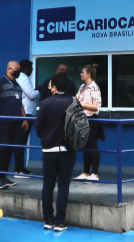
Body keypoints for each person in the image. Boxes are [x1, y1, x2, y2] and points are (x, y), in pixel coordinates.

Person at [35, 74, 76, 232]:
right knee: (64, 185)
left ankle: (48, 220)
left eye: (50, 85)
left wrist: (46, 137)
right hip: (67, 149)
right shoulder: (73, 102)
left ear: (54, 87)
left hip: (49, 149)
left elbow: (38, 126)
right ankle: (60, 222)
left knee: (48, 184)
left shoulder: (46, 103)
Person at [0, 60, 28, 189]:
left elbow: (20, 103)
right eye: (16, 69)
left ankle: (4, 176)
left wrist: (24, 118)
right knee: (3, 149)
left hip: (15, 122)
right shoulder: (0, 82)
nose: (18, 71)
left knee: (10, 150)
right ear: (9, 69)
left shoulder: (17, 85)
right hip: (3, 122)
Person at [75, 64, 103, 182]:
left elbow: (96, 107)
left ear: (89, 74)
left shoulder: (94, 87)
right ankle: (86, 172)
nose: (81, 74)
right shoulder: (82, 87)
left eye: (83, 72)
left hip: (91, 119)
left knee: (92, 145)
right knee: (85, 145)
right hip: (81, 119)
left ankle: (94, 174)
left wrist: (82, 105)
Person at [14, 59, 38, 178]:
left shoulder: (22, 78)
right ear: (27, 68)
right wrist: (39, 90)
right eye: (31, 68)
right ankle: (18, 170)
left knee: (22, 141)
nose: (32, 70)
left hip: (27, 113)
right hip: (26, 114)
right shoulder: (23, 78)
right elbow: (32, 95)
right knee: (21, 141)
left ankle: (21, 168)